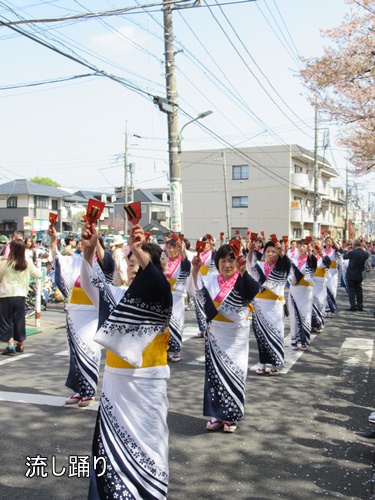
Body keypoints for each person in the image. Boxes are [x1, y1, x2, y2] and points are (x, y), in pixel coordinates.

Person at [80, 222, 173, 499]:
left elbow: (155, 283)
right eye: (130, 263)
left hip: (147, 385)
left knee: (149, 447)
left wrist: (138, 249)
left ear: (153, 267)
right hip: (115, 386)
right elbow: (91, 284)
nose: (133, 268)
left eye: (139, 263)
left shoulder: (161, 296)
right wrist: (87, 254)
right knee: (111, 450)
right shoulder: (119, 296)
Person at [188, 244, 259, 433]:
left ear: (237, 262)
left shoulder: (241, 279)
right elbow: (195, 290)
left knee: (234, 373)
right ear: (217, 263)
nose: (227, 265)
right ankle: (217, 415)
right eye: (223, 261)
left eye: (231, 260)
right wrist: (195, 270)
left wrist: (243, 272)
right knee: (215, 375)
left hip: (236, 335)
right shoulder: (211, 279)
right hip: (215, 335)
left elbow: (253, 292)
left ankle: (231, 417)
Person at [49, 227, 102, 408]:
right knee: (74, 353)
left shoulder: (100, 263)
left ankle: (90, 391)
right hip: (74, 312)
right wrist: (53, 240)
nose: (83, 244)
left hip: (90, 314)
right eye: (81, 242)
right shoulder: (75, 262)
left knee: (89, 351)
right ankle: (79, 390)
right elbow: (58, 260)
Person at [247, 239, 291, 376]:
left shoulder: (282, 267)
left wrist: (281, 252)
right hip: (259, 305)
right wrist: (250, 250)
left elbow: (287, 263)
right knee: (260, 336)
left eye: (273, 251)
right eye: (268, 251)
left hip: (274, 306)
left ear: (278, 253)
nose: (270, 254)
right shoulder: (261, 266)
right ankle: (262, 363)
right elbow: (250, 264)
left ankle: (274, 363)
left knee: (275, 334)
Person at [0, 239, 42, 355]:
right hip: (21, 294)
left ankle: (10, 347)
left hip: (6, 294)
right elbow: (38, 274)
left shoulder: (5, 262)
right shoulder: (26, 262)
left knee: (6, 320)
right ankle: (20, 344)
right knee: (19, 320)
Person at [164, 237, 191, 362]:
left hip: (177, 296)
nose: (171, 250)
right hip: (164, 294)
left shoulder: (182, 262)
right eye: (168, 248)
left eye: (173, 247)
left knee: (176, 322)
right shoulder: (164, 260)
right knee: (165, 323)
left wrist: (182, 252)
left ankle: (176, 350)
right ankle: (166, 349)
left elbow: (187, 266)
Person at [288, 239, 317, 350]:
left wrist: (310, 253)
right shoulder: (293, 259)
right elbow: (288, 273)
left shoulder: (310, 259)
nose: (301, 247)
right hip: (294, 289)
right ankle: (294, 340)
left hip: (306, 290)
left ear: (307, 247)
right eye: (299, 245)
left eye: (304, 245)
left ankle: (304, 341)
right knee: (294, 316)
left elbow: (313, 267)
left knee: (305, 315)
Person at [194, 235, 217, 338]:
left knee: (208, 305)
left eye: (207, 243)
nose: (206, 245)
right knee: (198, 306)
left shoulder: (212, 254)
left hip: (209, 281)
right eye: (204, 243)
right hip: (199, 280)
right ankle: (202, 329)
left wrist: (212, 244)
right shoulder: (199, 254)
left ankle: (209, 327)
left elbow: (215, 255)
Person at [311, 238, 331, 333]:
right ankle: (312, 324)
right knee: (311, 304)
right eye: (315, 244)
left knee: (319, 304)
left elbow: (327, 263)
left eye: (318, 244)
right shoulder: (310, 257)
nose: (316, 246)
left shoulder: (324, 257)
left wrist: (321, 255)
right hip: (311, 283)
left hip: (320, 284)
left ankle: (319, 324)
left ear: (321, 245)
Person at [342, 239, 368, 311]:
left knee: (351, 290)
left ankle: (353, 305)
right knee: (359, 290)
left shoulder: (352, 252)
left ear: (354, 245)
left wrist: (345, 250)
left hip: (351, 273)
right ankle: (360, 305)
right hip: (359, 273)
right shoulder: (364, 253)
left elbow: (344, 256)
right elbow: (367, 255)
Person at [322, 236, 343, 318]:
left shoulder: (334, 251)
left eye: (330, 241)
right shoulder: (322, 251)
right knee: (323, 290)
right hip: (323, 272)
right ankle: (324, 308)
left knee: (332, 290)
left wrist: (334, 240)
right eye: (326, 241)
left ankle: (330, 309)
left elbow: (340, 250)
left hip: (333, 272)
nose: (328, 243)